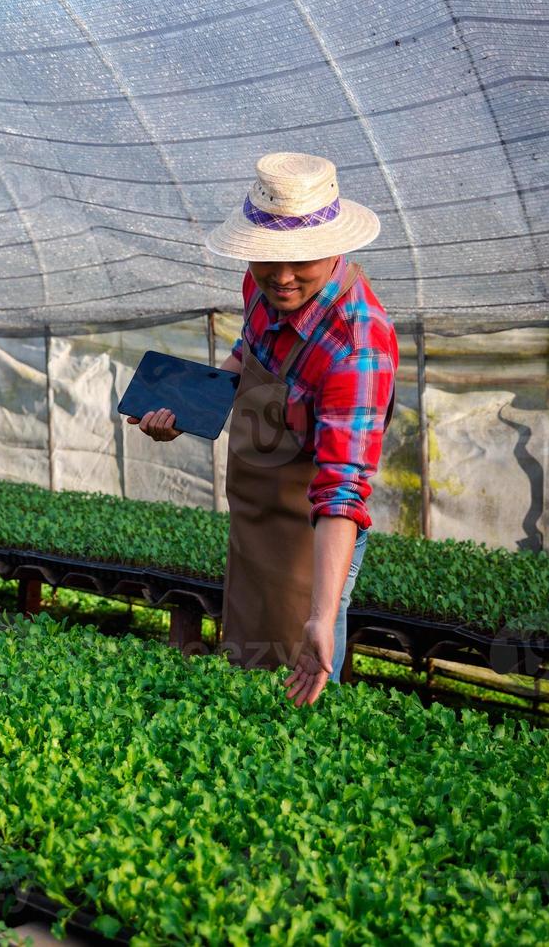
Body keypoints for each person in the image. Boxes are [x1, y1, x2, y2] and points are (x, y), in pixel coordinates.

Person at [128, 153, 397, 707]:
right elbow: (247, 353)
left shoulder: (357, 347)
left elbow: (342, 490)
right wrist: (187, 409)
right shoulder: (264, 285)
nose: (282, 276)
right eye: (267, 260)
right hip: (255, 520)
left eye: (300, 260)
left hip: (313, 536)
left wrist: (321, 617)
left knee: (304, 673)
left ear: (334, 245)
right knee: (248, 671)